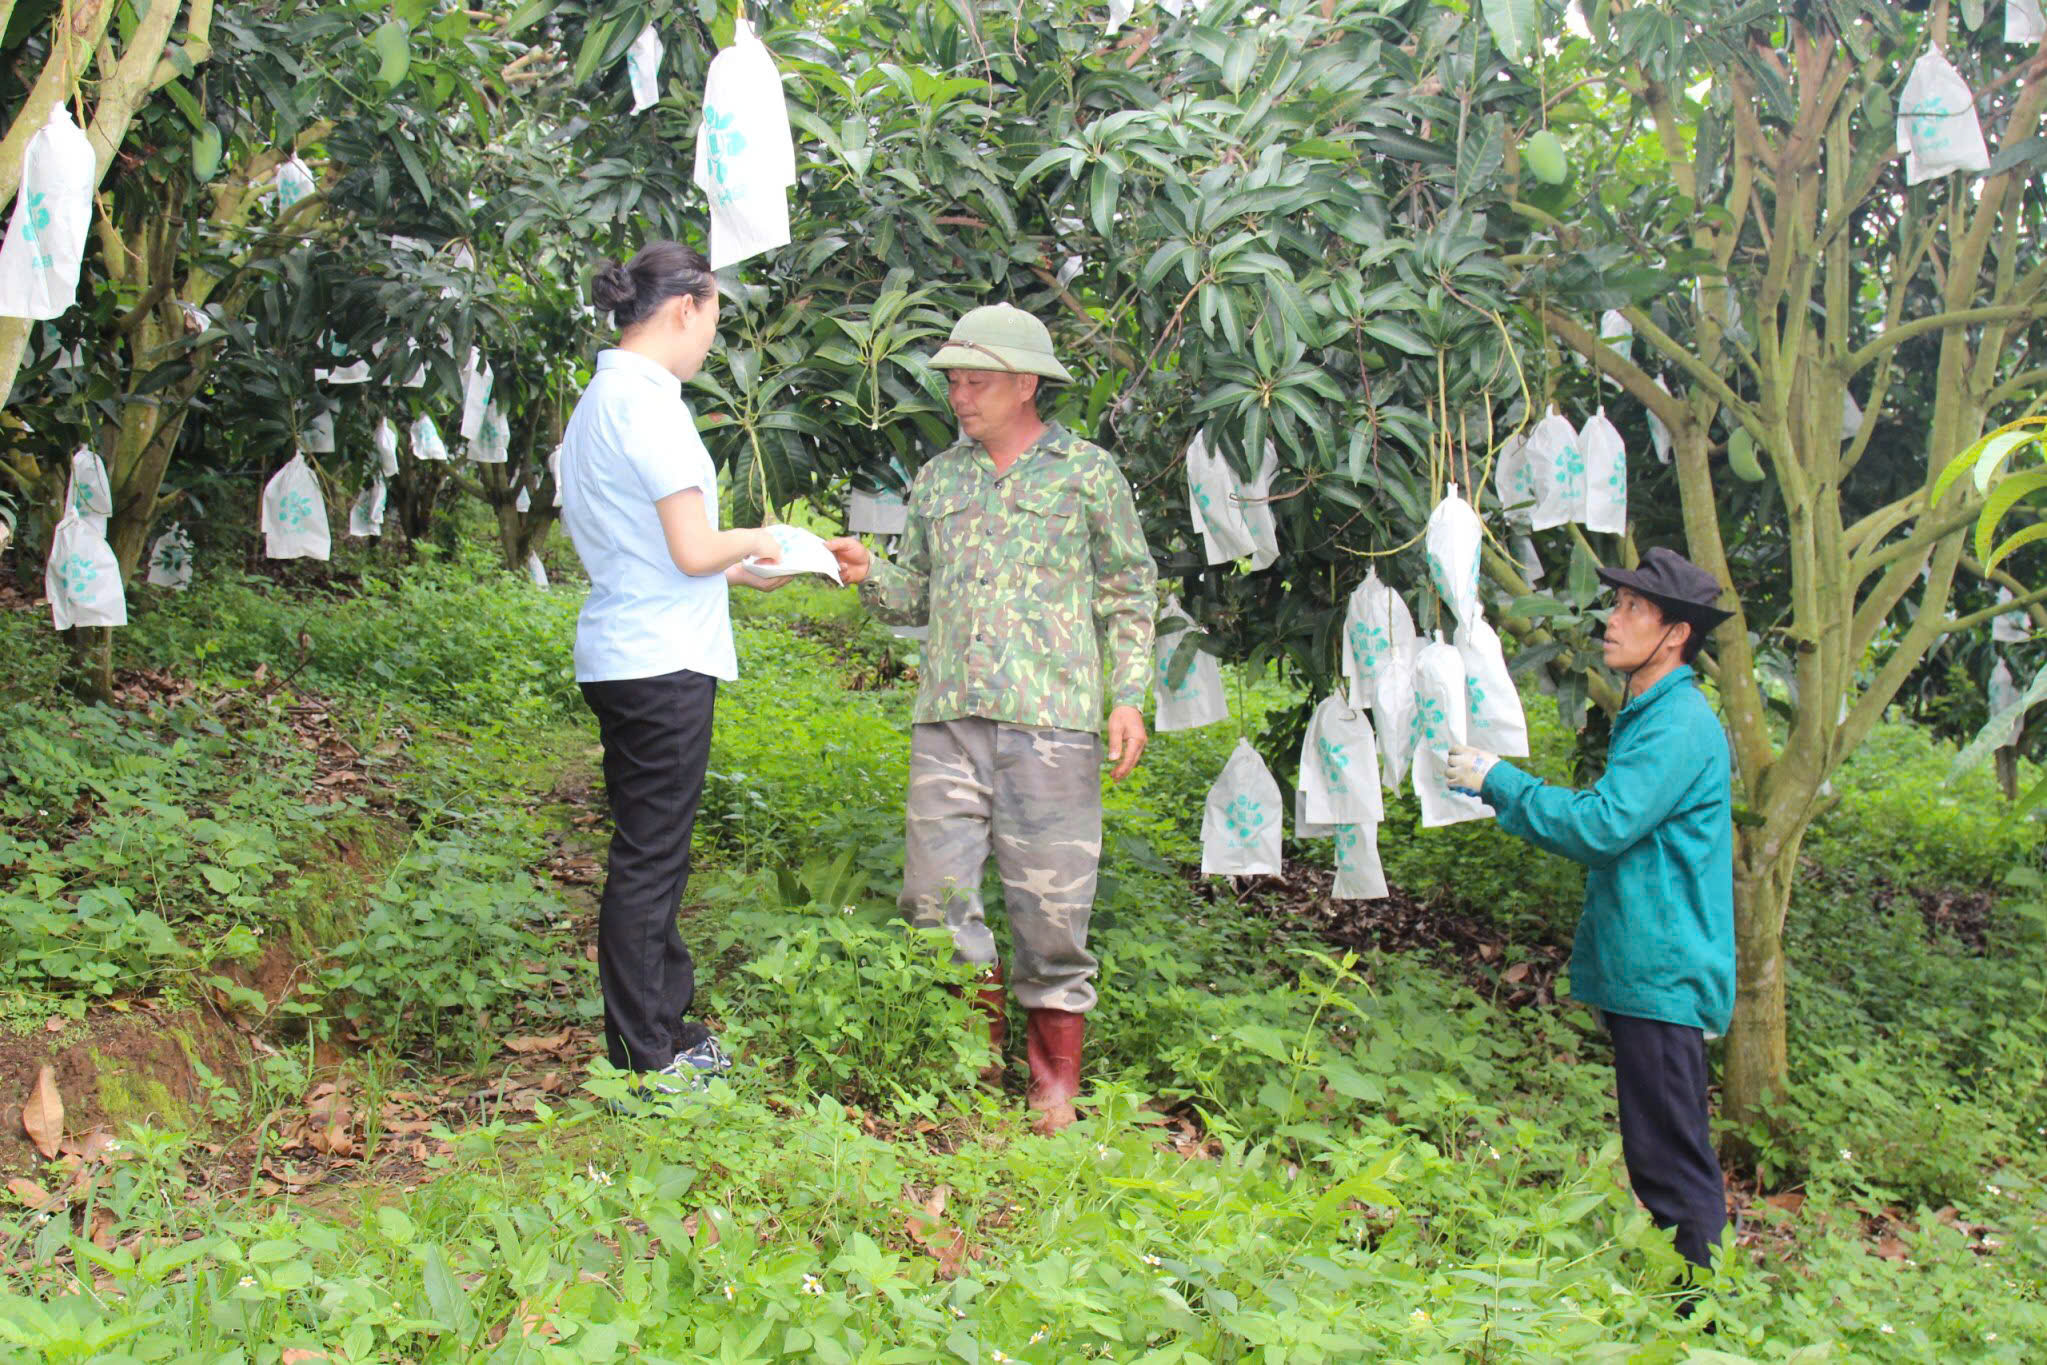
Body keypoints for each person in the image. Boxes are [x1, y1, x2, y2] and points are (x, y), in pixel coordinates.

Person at [826, 303, 1157, 1133]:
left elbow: (1128, 589)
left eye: (976, 381)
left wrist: (1128, 694)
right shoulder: (940, 478)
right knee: (932, 898)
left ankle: (1053, 1083)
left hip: (1052, 723)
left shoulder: (1087, 474)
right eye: (954, 381)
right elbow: (914, 595)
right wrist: (867, 571)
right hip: (949, 719)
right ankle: (969, 1062)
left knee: (1052, 908)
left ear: (1025, 384)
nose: (960, 395)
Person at [1445, 546, 1737, 1279]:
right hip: (1652, 969)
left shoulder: (1677, 724)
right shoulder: (1652, 712)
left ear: (1675, 635)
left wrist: (1500, 781)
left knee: (1672, 1162)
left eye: (1635, 609)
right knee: (1659, 1152)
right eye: (1619, 604)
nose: (1613, 619)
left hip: (1666, 972)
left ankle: (1704, 1313)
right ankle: (1692, 1301)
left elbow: (1602, 826)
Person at [558, 240, 788, 1099]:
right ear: (686, 307)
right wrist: (767, 536)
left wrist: (751, 569)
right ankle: (645, 1053)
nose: (711, 339)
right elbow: (693, 548)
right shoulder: (649, 405)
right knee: (651, 858)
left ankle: (662, 1023)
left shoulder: (604, 399)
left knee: (651, 851)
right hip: (660, 659)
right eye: (714, 319)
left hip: (629, 646)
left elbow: (665, 550)